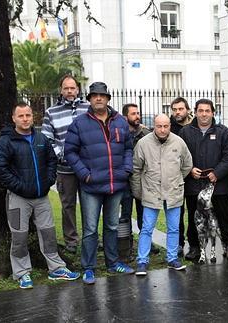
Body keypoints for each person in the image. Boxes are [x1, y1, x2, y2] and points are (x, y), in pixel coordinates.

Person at [0, 103, 80, 289]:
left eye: (28, 115)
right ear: (14, 118)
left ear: (33, 117)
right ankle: (22, 273)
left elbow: (51, 160)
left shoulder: (41, 138)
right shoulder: (6, 141)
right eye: (21, 116)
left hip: (41, 198)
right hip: (17, 198)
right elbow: (0, 168)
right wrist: (20, 186)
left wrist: (48, 180)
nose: (25, 119)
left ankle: (56, 268)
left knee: (48, 233)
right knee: (19, 236)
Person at [65, 82, 135, 284]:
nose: (98, 98)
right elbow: (70, 152)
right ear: (89, 99)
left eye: (102, 95)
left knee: (112, 226)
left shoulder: (120, 122)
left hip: (115, 184)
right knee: (90, 229)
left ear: (107, 98)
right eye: (94, 95)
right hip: (91, 186)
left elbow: (128, 148)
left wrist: (126, 169)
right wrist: (85, 174)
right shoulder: (80, 123)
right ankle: (89, 267)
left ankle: (113, 263)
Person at [131, 114, 193, 275]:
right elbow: (136, 169)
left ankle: (172, 258)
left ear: (170, 126)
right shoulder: (143, 143)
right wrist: (139, 191)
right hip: (151, 192)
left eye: (166, 126)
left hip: (173, 192)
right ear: (154, 126)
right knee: (146, 228)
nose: (162, 129)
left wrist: (175, 180)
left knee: (173, 228)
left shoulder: (179, 142)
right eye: (159, 126)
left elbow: (187, 165)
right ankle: (142, 261)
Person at [180, 99, 228, 260]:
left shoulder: (223, 132)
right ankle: (195, 247)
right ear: (195, 112)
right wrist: (189, 169)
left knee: (224, 215)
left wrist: (217, 173)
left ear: (213, 113)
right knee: (194, 217)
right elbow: (179, 155)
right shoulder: (185, 132)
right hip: (194, 184)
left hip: (218, 184)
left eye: (207, 111)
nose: (204, 114)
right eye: (201, 110)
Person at [41, 75, 89, 253]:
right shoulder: (51, 112)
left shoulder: (89, 108)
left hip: (87, 168)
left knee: (89, 204)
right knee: (67, 205)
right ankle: (71, 240)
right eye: (66, 88)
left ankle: (90, 238)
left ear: (78, 89)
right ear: (61, 90)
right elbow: (47, 139)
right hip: (65, 169)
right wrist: (62, 154)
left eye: (73, 88)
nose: (70, 91)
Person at [119, 103, 159, 257]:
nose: (137, 116)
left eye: (138, 113)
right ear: (125, 117)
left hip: (144, 180)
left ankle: (146, 242)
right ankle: (126, 245)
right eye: (133, 113)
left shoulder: (145, 133)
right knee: (126, 214)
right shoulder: (120, 133)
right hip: (125, 180)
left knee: (144, 213)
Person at [169, 97, 193, 256]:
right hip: (174, 177)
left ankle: (194, 244)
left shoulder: (194, 126)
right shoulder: (168, 127)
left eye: (181, 109)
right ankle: (178, 244)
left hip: (191, 175)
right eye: (175, 109)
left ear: (187, 110)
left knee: (193, 212)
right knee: (176, 213)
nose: (178, 112)